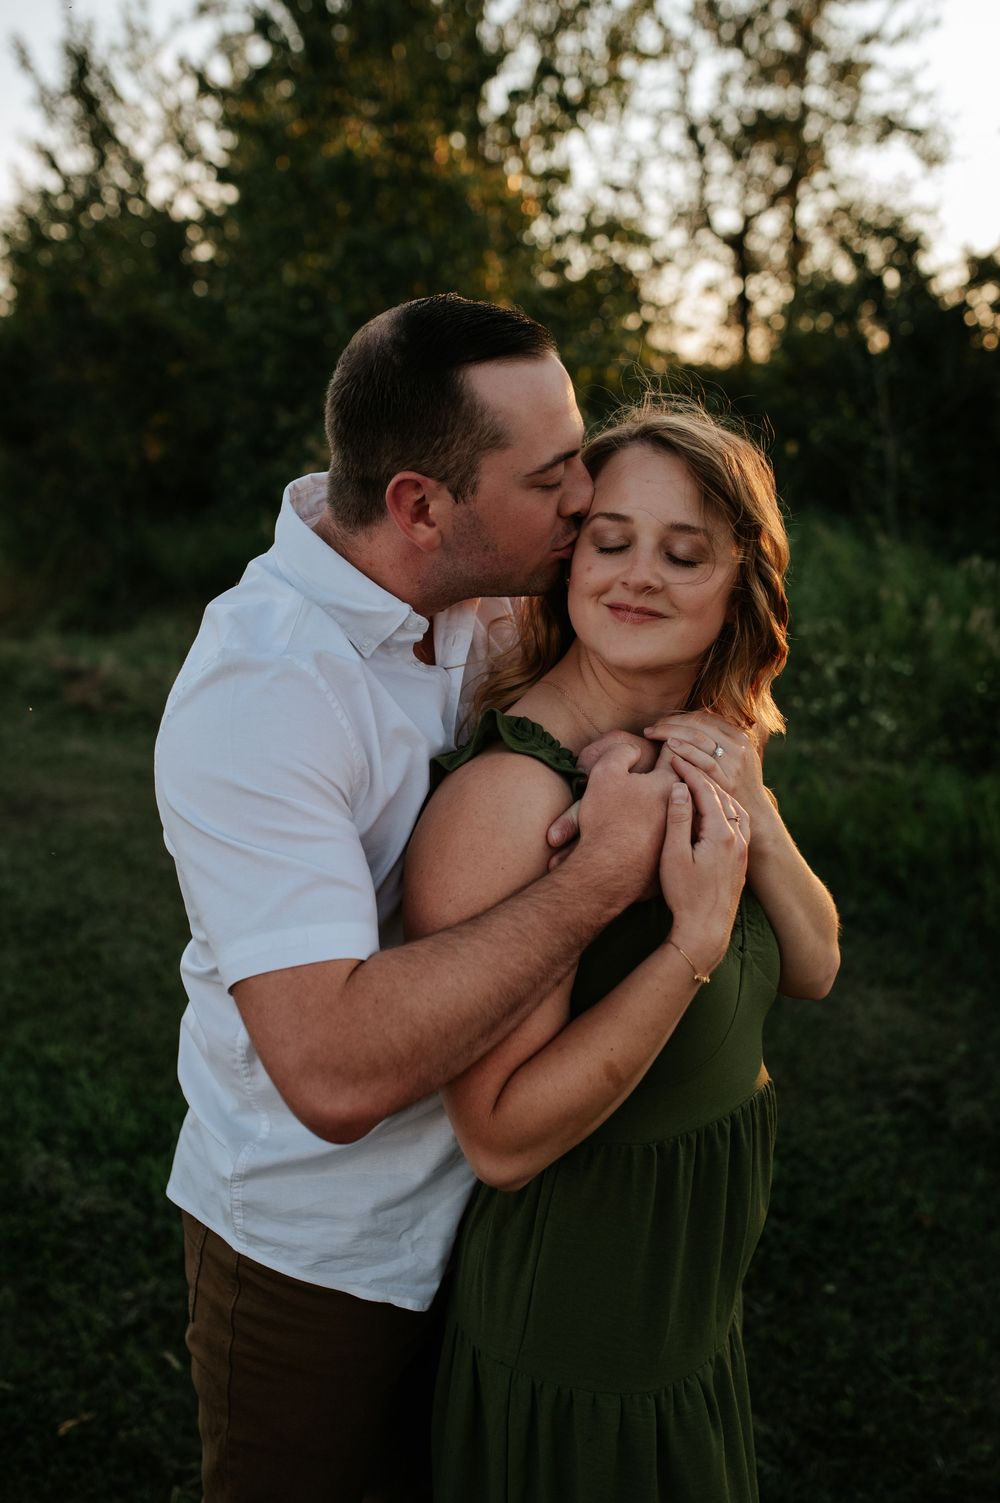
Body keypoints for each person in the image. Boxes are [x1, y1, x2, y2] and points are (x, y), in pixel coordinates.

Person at [153, 296, 685, 1503]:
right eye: (553, 475)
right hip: (318, 1259)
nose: (586, 498)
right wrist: (597, 880)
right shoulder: (262, 695)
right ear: (418, 504)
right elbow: (332, 1073)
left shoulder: (483, 589)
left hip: (497, 1221)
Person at [404, 400, 841, 1502]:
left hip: (688, 1310)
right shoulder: (513, 797)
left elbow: (814, 963)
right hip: (581, 1317)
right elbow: (498, 1138)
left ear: (742, 578)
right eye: (610, 541)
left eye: (683, 552)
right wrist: (687, 941)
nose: (638, 574)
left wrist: (751, 801)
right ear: (568, 559)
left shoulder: (707, 737)